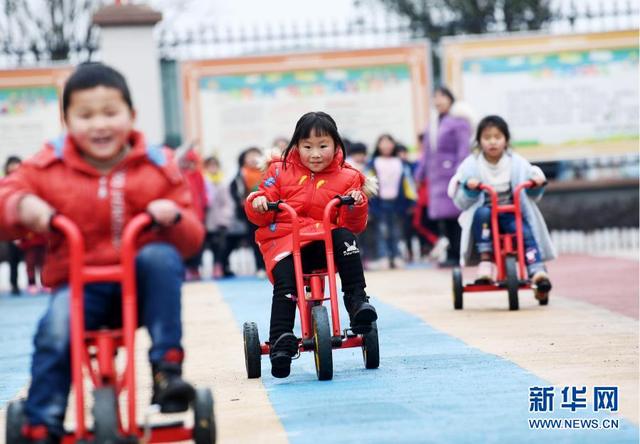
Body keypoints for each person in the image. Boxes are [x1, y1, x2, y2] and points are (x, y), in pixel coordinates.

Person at [0, 63, 204, 443]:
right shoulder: (48, 167)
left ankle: (166, 370)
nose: (100, 125)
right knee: (55, 329)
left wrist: (173, 217)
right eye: (85, 115)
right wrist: (23, 207)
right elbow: (6, 196)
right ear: (66, 120)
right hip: (78, 288)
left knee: (160, 257)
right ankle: (43, 418)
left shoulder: (156, 167)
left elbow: (192, 238)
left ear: (131, 115)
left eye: (110, 113)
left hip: (141, 291)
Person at [245, 111, 378, 378]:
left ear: (336, 145)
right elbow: (261, 206)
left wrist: (357, 202)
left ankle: (356, 301)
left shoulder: (348, 177)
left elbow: (353, 225)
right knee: (286, 284)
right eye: (307, 147)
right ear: (296, 145)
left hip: (325, 243)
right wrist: (258, 201)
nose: (315, 154)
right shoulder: (279, 170)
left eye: (323, 146)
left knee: (347, 238)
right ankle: (281, 339)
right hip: (286, 242)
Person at [447, 115, 555, 297]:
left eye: (497, 137)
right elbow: (460, 198)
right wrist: (470, 188)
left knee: (524, 231)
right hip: (486, 216)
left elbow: (532, 186)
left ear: (506, 140)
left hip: (512, 212)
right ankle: (486, 261)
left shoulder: (517, 163)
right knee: (482, 214)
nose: (492, 142)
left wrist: (535, 183)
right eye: (487, 138)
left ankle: (536, 270)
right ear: (479, 141)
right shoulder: (471, 165)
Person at [415, 86, 474, 267]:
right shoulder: (433, 123)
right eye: (435, 97)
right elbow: (427, 153)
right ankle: (451, 252)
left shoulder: (459, 122)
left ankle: (459, 253)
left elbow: (463, 149)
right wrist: (420, 173)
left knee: (456, 216)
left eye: (442, 96)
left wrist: (460, 173)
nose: (438, 100)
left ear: (450, 99)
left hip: (452, 175)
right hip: (436, 178)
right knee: (444, 217)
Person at [366, 134, 416, 269]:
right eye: (383, 143)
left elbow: (408, 183)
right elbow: (367, 183)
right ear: (378, 145)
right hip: (378, 202)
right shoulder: (373, 163)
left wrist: (411, 201)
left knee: (397, 231)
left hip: (397, 202)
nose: (386, 146)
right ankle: (384, 257)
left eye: (389, 143)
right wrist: (367, 203)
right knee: (381, 231)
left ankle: (397, 256)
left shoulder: (400, 162)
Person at [230, 146, 267, 277]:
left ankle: (270, 265)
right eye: (249, 155)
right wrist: (241, 201)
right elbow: (234, 191)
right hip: (249, 213)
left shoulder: (268, 171)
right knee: (255, 240)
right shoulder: (241, 174)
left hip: (267, 210)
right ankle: (260, 267)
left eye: (255, 155)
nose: (252, 158)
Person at [203, 155, 234, 278]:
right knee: (204, 245)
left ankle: (218, 265)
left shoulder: (223, 183)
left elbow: (228, 202)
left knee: (220, 245)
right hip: (205, 220)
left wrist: (225, 218)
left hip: (220, 221)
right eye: (209, 165)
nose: (212, 168)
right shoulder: (203, 181)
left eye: (214, 165)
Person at [3, 156, 24, 295]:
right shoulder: (4, 183)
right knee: (11, 257)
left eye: (17, 164)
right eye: (12, 164)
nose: (14, 167)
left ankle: (21, 284)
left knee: (26, 258)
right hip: (7, 227)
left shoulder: (25, 182)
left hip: (23, 226)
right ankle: (13, 284)